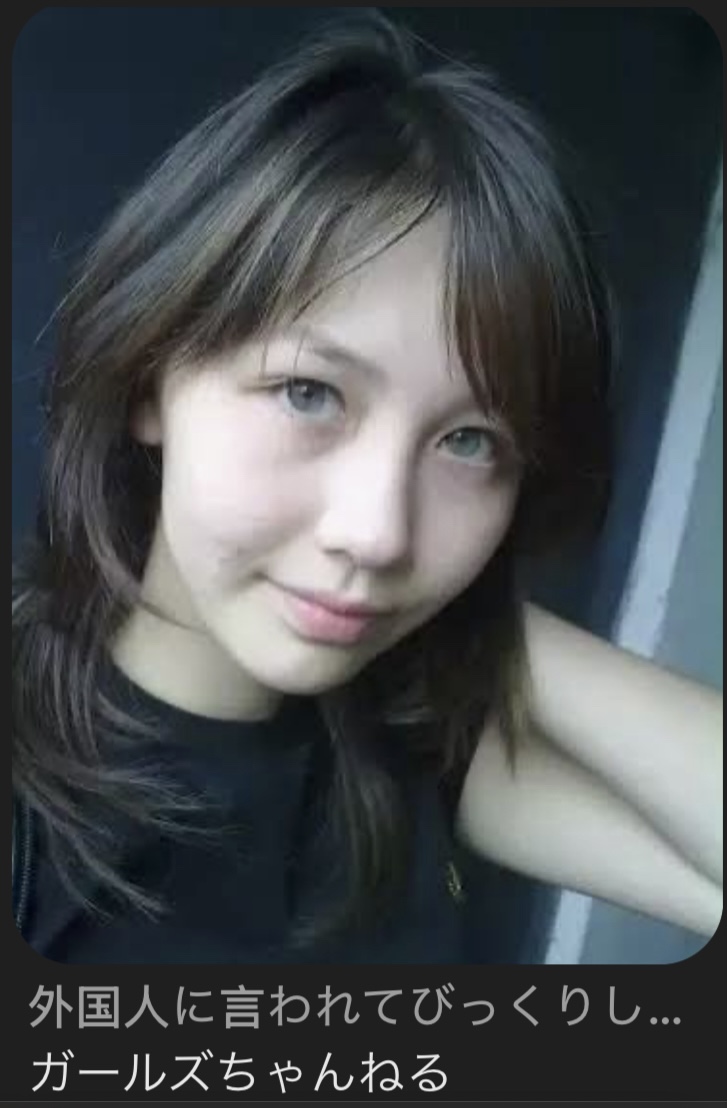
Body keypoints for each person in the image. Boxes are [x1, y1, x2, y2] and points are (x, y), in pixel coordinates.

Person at [12, 13, 722, 964]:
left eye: (469, 442)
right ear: (149, 383)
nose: (378, 532)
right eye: (308, 393)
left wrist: (473, 622)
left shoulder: (401, 749)